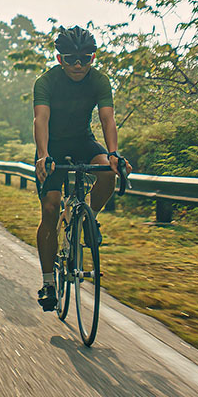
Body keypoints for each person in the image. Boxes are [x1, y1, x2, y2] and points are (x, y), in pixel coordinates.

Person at [33, 25, 132, 312]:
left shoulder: (99, 81)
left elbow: (107, 119)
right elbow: (41, 119)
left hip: (83, 141)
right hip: (52, 145)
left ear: (93, 58)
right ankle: (48, 282)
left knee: (108, 171)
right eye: (70, 59)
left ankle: (89, 218)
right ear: (59, 58)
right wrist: (43, 155)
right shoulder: (46, 82)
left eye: (85, 59)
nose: (78, 66)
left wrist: (113, 153)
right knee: (50, 208)